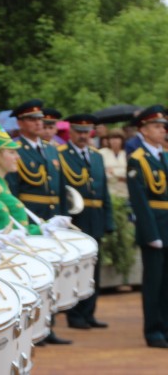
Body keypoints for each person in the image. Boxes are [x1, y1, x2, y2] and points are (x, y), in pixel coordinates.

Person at [5, 99, 73, 345]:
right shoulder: (15, 149)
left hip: (51, 219)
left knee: (51, 272)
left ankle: (48, 326)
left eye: (40, 119)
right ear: (21, 123)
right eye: (32, 119)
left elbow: (60, 186)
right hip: (30, 217)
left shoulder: (52, 149)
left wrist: (63, 217)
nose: (38, 123)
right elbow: (12, 191)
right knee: (32, 274)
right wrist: (19, 223)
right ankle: (33, 328)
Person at [58, 114, 114, 330]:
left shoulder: (96, 156)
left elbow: (104, 191)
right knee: (77, 267)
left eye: (87, 131)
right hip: (76, 219)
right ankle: (75, 314)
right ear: (70, 132)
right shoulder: (62, 155)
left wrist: (108, 220)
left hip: (96, 216)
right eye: (79, 131)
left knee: (93, 269)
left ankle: (90, 312)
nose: (83, 136)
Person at [126, 105, 168, 348]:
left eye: (163, 126)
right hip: (154, 227)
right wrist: (151, 234)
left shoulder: (164, 156)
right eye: (156, 126)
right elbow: (140, 201)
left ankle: (166, 327)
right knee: (153, 283)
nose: (162, 130)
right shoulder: (138, 159)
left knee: (167, 283)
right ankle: (153, 331)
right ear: (142, 129)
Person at [100, 128, 129, 198]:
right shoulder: (101, 153)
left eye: (117, 138)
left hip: (126, 192)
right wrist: (121, 174)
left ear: (122, 140)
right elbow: (101, 172)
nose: (114, 141)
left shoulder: (127, 153)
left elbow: (129, 172)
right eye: (112, 138)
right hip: (108, 192)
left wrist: (114, 172)